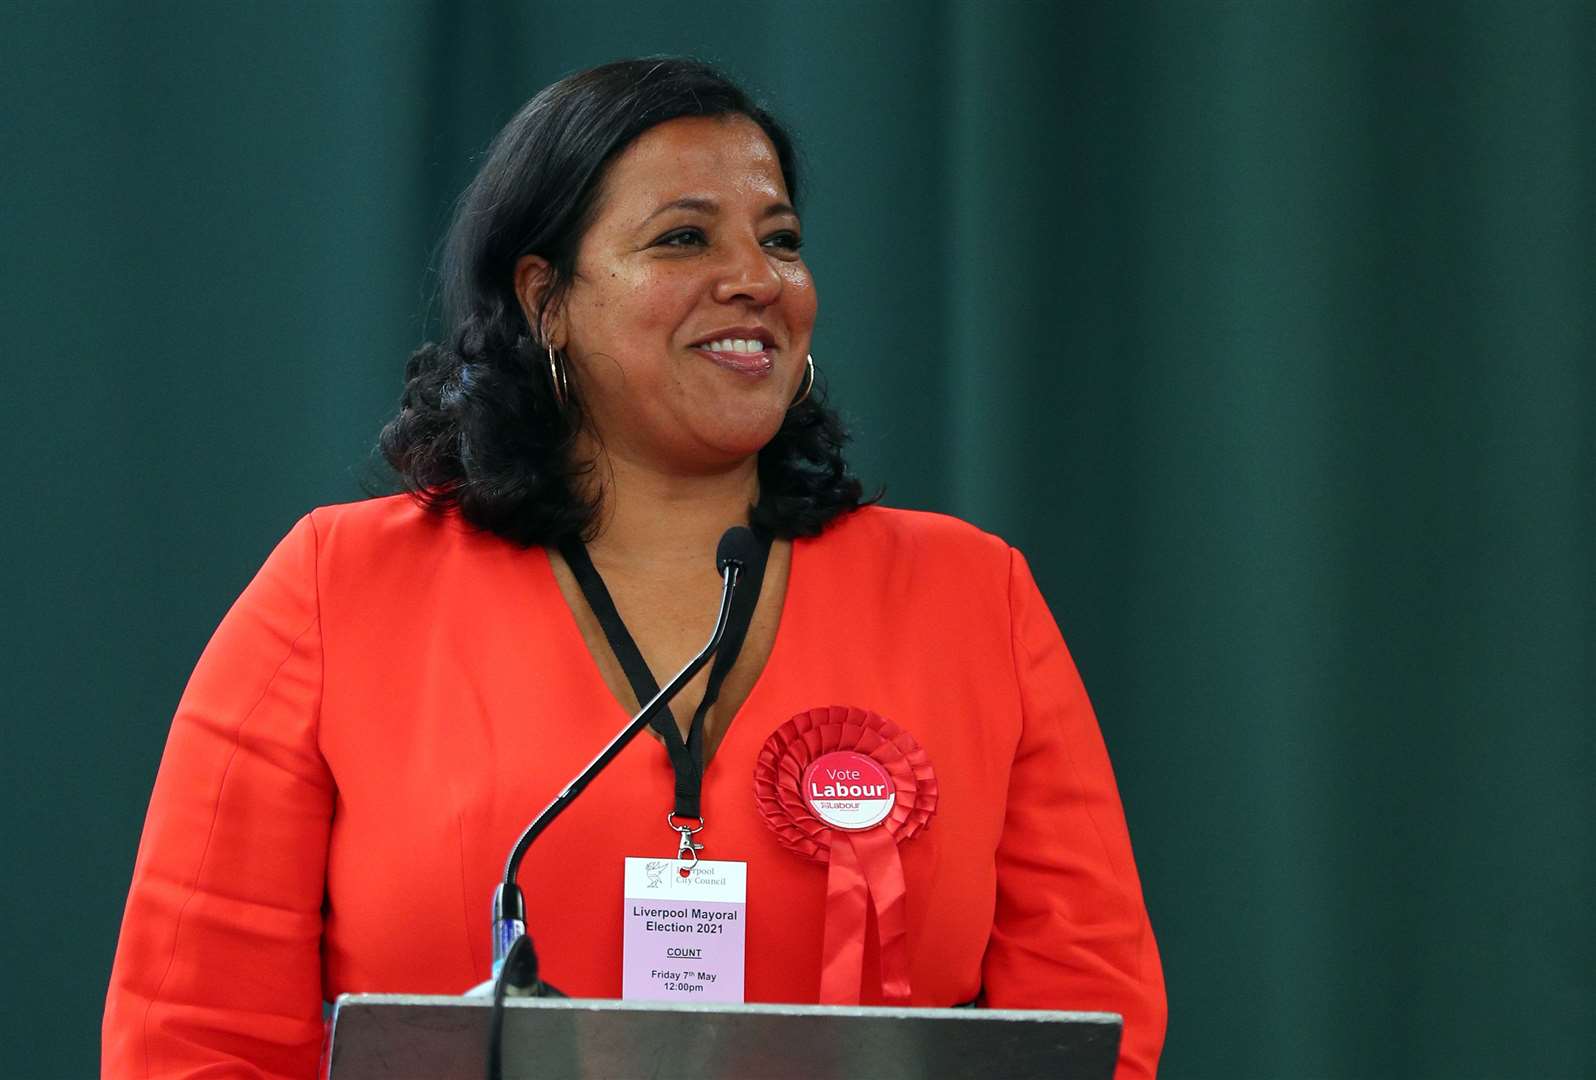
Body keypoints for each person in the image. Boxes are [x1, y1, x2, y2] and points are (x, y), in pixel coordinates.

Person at [103, 57, 1166, 1078]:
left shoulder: (971, 597)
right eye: (683, 237)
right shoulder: (337, 589)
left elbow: (1087, 1021)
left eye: (781, 239)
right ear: (544, 297)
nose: (756, 279)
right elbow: (194, 1037)